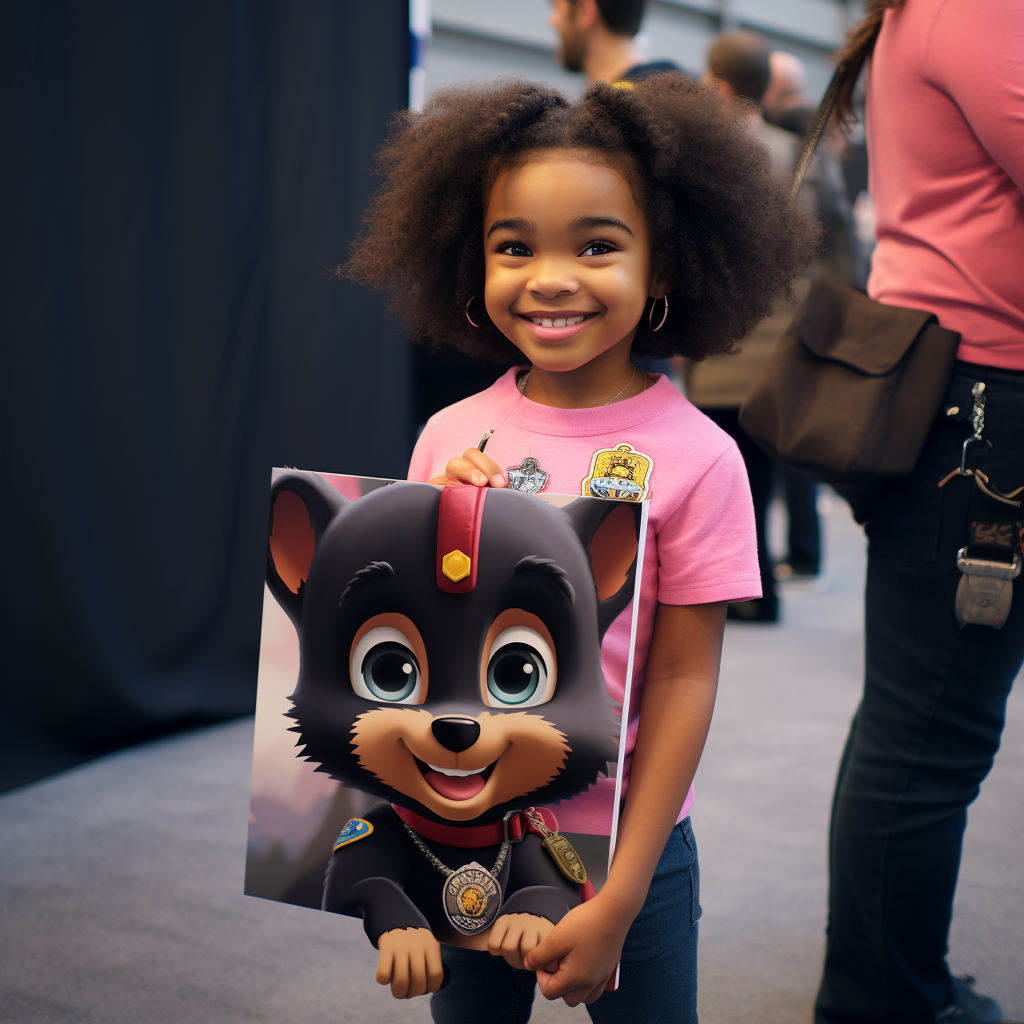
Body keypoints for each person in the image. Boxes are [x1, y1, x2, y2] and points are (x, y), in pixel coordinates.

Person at [345, 76, 818, 1022]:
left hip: (625, 850)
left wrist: (624, 898)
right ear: (468, 259)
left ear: (667, 268)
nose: (551, 277)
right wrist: (435, 532)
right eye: (513, 246)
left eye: (597, 245)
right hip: (460, 834)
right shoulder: (448, 435)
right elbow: (398, 651)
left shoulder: (699, 458)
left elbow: (684, 681)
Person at [815, 2, 1024, 1023]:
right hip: (983, 408)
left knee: (916, 718)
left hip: (959, 399)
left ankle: (887, 979)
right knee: (930, 727)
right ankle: (881, 999)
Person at [683, 30, 816, 621]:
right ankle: (762, 590)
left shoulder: (706, 156)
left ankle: (737, 591)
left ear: (717, 85)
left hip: (723, 340)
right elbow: (824, 247)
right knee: (761, 468)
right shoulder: (798, 157)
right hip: (781, 343)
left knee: (720, 472)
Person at [547, 0, 691, 88]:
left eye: (557, 8)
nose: (551, 21)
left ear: (585, 11)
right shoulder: (677, 94)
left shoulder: (617, 119)